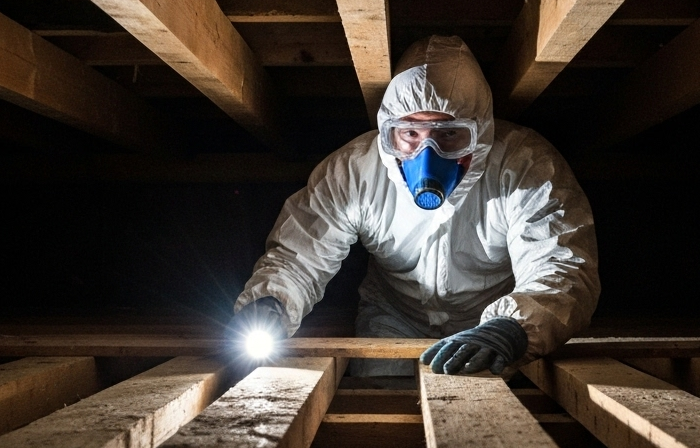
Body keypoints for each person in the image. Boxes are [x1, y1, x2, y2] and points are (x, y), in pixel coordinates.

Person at [228, 35, 599, 375]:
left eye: (449, 135)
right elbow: (301, 256)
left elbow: (560, 264)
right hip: (393, 321)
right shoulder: (356, 171)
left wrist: (514, 329)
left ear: (481, 133)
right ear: (388, 133)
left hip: (489, 329)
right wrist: (270, 304)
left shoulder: (524, 167)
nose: (426, 154)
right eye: (409, 134)